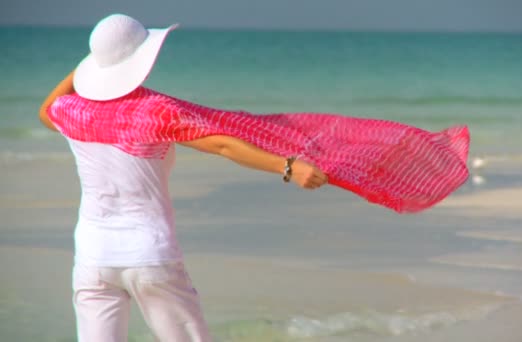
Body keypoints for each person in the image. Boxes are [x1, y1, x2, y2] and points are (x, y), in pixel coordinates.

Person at [39, 13, 328, 342]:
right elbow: (221, 144)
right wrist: (288, 167)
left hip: (92, 258)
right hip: (149, 256)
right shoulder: (157, 110)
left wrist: (94, 64)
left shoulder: (71, 111)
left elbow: (46, 108)